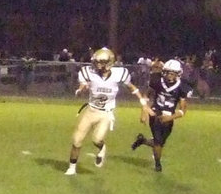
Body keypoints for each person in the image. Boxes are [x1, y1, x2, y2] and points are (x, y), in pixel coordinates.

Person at [64, 47, 154, 176]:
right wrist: (81, 89)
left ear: (109, 63)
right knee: (77, 140)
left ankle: (102, 148)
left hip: (105, 113)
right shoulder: (88, 72)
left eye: (101, 62)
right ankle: (72, 168)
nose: (97, 65)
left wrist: (143, 103)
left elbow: (132, 88)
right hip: (90, 110)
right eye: (96, 62)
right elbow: (83, 84)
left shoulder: (119, 73)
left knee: (97, 139)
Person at [130, 59, 191, 172]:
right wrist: (145, 111)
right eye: (168, 72)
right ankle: (158, 165)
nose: (170, 75)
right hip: (155, 112)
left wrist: (171, 117)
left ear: (178, 74)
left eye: (173, 73)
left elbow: (183, 110)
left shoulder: (182, 86)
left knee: (160, 142)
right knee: (158, 141)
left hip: (169, 116)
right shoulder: (157, 80)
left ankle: (142, 140)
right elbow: (145, 96)